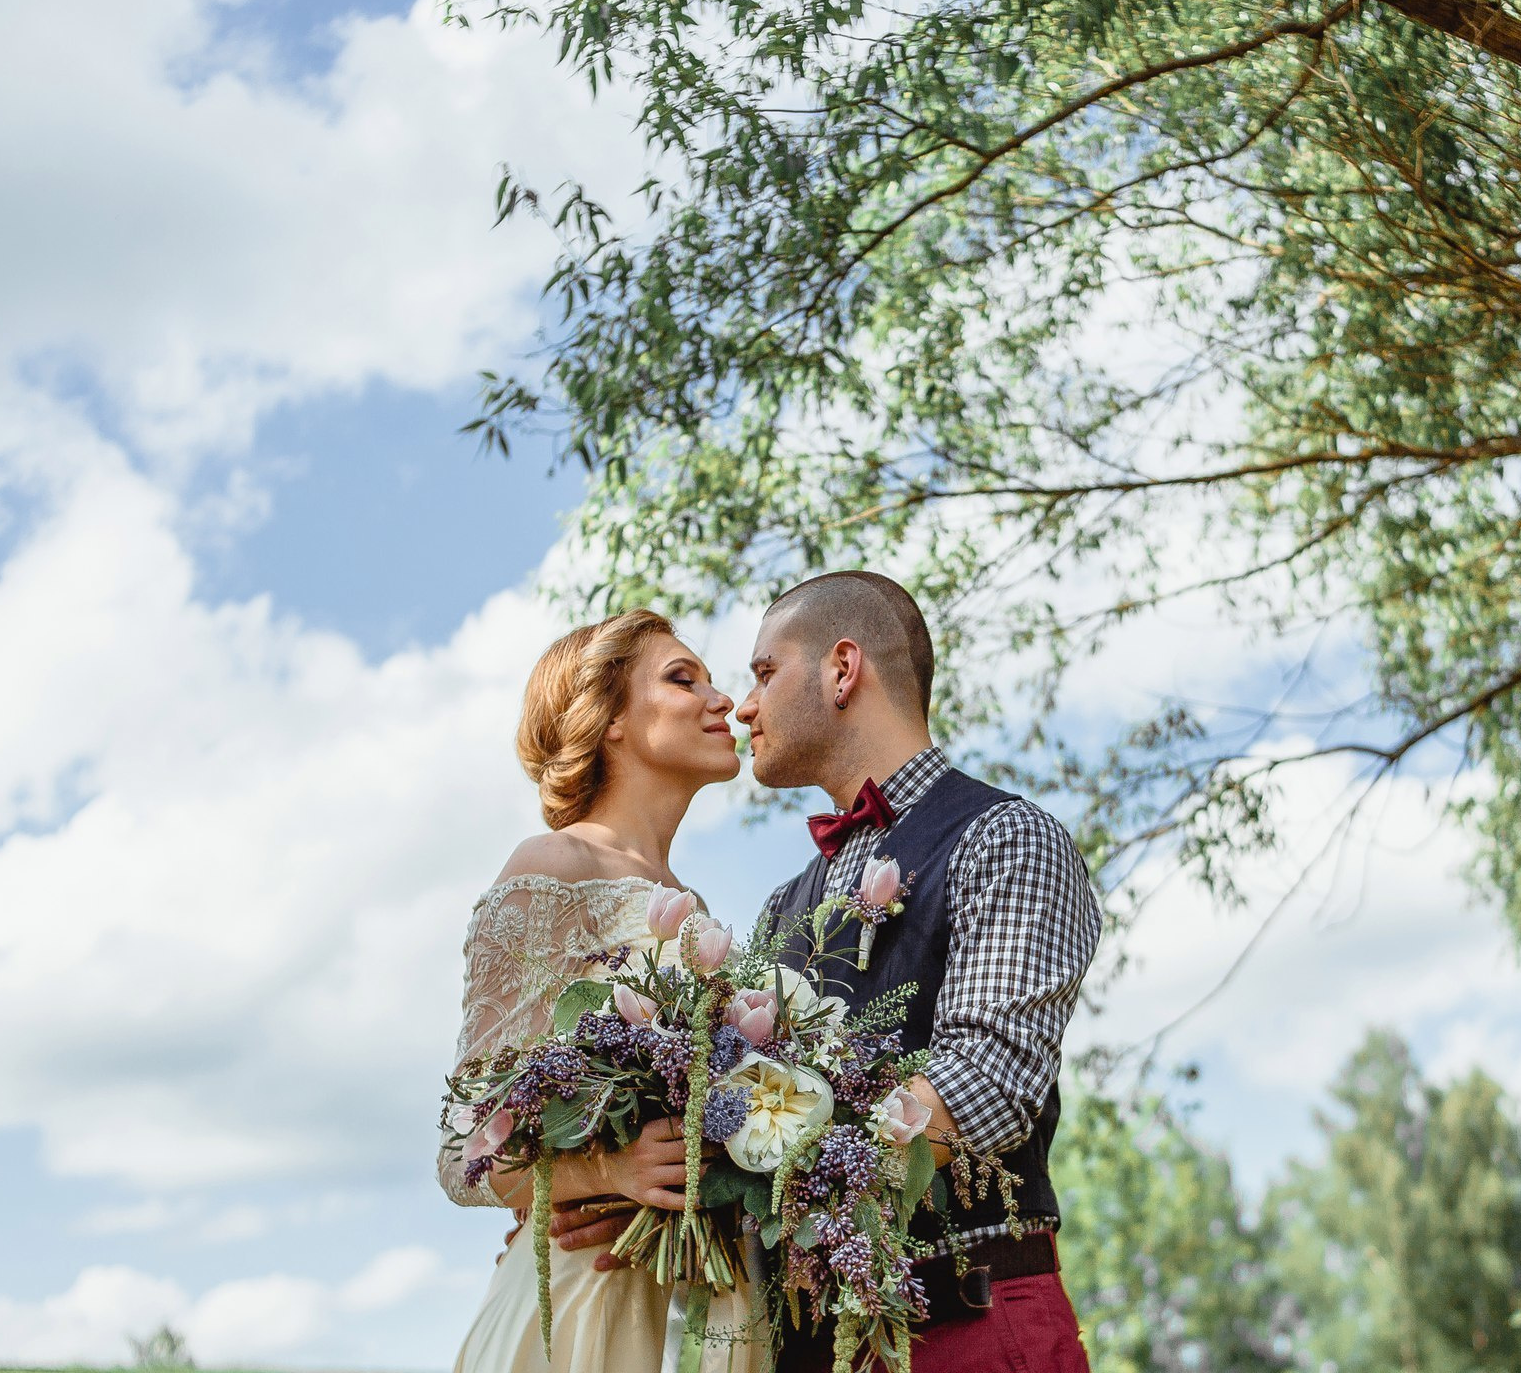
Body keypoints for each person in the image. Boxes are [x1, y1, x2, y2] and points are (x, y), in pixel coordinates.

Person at [551, 572, 1100, 1373]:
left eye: (764, 672)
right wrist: (629, 1192)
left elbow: (986, 1081)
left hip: (966, 1325)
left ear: (843, 670)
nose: (742, 706)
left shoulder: (1006, 838)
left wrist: (731, 1161)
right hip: (806, 1346)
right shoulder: (782, 906)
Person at [441, 609, 763, 1373]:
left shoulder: (694, 906)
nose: (723, 699)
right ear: (610, 719)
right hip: (581, 1311)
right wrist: (606, 1172)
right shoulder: (554, 865)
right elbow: (460, 1149)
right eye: (683, 679)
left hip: (701, 1302)